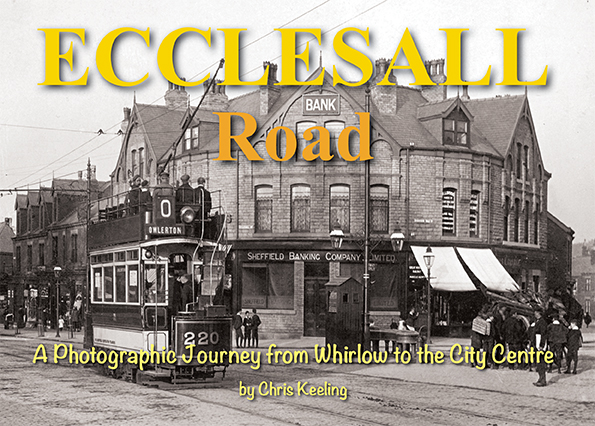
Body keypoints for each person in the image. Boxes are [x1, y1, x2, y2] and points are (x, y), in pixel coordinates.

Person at [533, 308, 549, 386]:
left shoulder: (542, 322)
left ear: (539, 313)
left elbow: (543, 334)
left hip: (540, 343)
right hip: (538, 342)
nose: (534, 314)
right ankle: (540, 378)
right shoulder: (539, 321)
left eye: (536, 312)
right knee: (539, 362)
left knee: (541, 362)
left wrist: (542, 345)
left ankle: (543, 380)